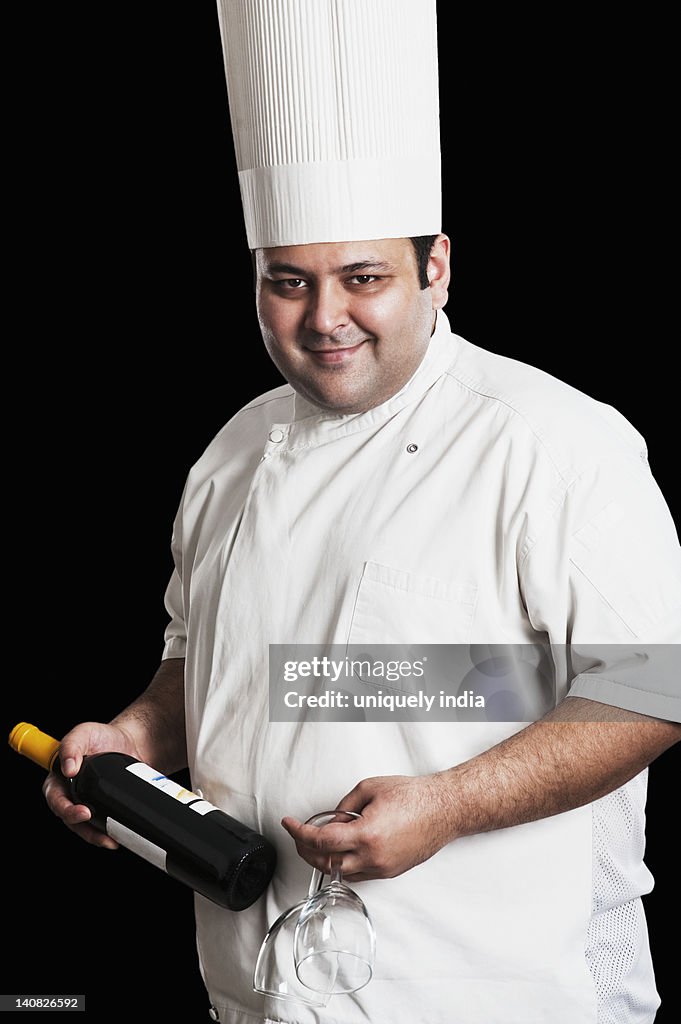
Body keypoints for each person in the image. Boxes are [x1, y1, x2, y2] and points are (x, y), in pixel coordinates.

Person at [43, 3, 680, 1023]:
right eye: (287, 282)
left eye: (364, 278)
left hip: (501, 992)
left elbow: (650, 691)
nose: (324, 317)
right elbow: (205, 661)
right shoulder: (233, 454)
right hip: (259, 990)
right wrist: (130, 737)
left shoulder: (554, 440)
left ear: (437, 267)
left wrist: (450, 804)